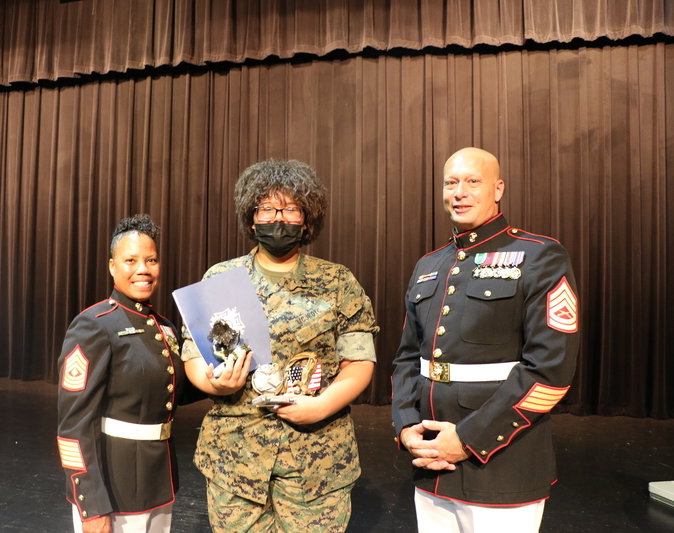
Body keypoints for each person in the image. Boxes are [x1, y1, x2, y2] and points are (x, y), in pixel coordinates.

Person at [179, 159, 379, 533]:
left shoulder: (337, 282)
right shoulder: (221, 279)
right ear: (251, 217)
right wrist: (213, 385)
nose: (278, 218)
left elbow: (359, 362)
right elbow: (194, 354)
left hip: (316, 462)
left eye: (290, 209)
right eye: (267, 208)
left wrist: (321, 407)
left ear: (307, 219)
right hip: (235, 459)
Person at [391, 147, 580, 533]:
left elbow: (550, 370)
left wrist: (467, 439)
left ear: (498, 189)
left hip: (501, 464)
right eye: (451, 183)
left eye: (472, 181)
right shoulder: (429, 265)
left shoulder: (539, 256)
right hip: (430, 463)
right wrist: (406, 426)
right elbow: (407, 359)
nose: (459, 192)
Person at [57, 214, 194, 533]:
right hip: (112, 489)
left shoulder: (165, 327)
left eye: (151, 260)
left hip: (158, 481)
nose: (143, 269)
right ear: (112, 266)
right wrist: (91, 504)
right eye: (131, 260)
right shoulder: (94, 325)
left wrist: (226, 374)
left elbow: (175, 389)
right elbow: (73, 427)